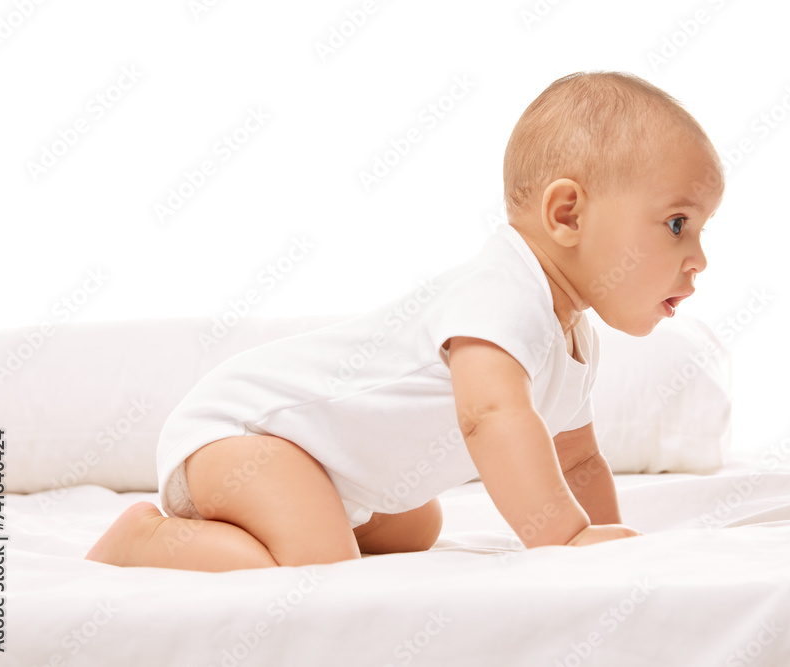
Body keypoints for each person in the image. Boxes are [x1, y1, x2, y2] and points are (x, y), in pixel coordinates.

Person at [86, 70, 724, 571]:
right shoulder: (501, 295)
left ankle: (299, 517)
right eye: (677, 224)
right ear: (566, 215)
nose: (698, 259)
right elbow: (491, 419)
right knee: (317, 563)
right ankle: (144, 538)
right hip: (241, 435)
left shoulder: (574, 336)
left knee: (418, 526)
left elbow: (579, 461)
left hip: (327, 469)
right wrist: (564, 537)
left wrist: (611, 547)